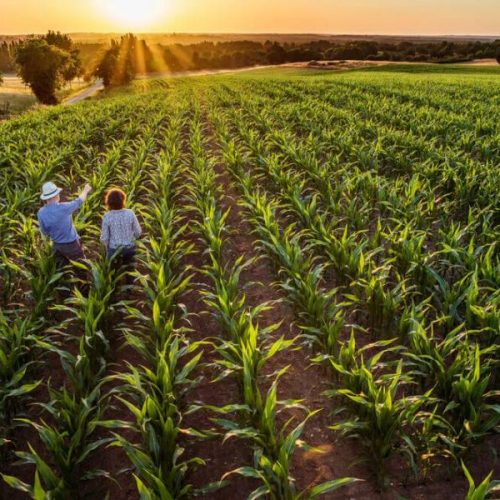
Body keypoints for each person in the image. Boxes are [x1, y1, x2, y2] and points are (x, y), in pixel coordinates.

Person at [38, 181, 92, 268]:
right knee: (82, 265)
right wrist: (85, 190)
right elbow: (79, 201)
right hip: (71, 244)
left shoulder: (41, 212)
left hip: (56, 246)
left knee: (62, 268)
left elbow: (44, 232)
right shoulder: (64, 208)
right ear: (55, 196)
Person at [100, 188, 141, 281]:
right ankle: (129, 287)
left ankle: (114, 285)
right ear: (123, 200)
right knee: (130, 269)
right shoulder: (130, 213)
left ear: (108, 202)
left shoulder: (107, 216)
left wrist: (106, 250)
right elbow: (138, 232)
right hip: (130, 248)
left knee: (112, 271)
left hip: (114, 250)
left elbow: (104, 238)